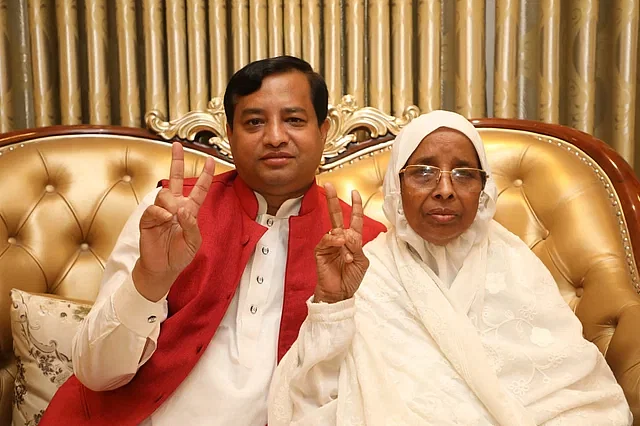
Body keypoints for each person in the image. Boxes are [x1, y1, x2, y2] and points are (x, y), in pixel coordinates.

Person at [39, 56, 386, 426]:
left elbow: (369, 389)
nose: (274, 137)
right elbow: (97, 373)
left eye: (294, 120)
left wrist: (333, 303)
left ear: (324, 130)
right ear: (229, 133)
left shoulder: (361, 246)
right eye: (254, 122)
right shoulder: (170, 214)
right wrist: (150, 278)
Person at [268, 110, 633, 425]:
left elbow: (581, 396)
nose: (444, 189)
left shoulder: (515, 263)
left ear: (483, 189)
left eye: (464, 174)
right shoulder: (367, 271)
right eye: (424, 172)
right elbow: (312, 400)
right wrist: (334, 304)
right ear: (397, 186)